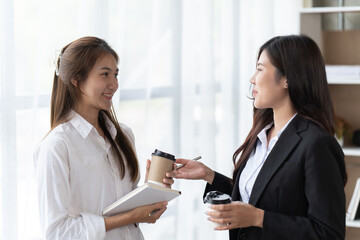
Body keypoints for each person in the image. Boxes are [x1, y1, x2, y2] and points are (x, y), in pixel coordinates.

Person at [168, 35, 347, 240]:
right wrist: (209, 175)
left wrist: (259, 218)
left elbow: (329, 233)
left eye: (260, 69)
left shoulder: (317, 144)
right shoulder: (262, 134)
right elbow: (258, 197)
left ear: (287, 78)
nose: (252, 78)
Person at [34, 36, 173, 239]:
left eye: (115, 74)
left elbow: (121, 203)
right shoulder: (57, 146)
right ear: (76, 80)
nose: (114, 84)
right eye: (104, 74)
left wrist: (151, 191)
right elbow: (57, 232)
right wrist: (130, 216)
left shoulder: (123, 135)